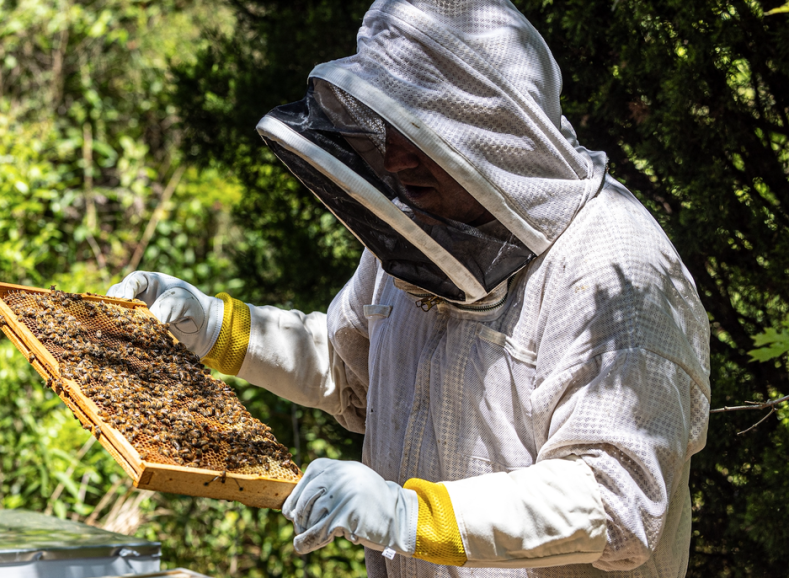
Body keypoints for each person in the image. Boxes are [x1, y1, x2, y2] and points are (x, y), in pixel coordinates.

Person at [108, 0, 710, 576]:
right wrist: (216, 327)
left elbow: (614, 502)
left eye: (417, 131)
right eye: (384, 125)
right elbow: (354, 369)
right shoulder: (420, 229)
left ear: (489, 130)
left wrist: (409, 515)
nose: (394, 161)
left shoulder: (618, 271)